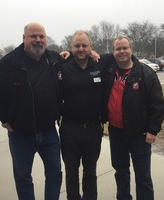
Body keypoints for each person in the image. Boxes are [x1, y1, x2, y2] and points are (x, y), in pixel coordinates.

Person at [0, 22, 64, 200]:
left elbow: (79, 60)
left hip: (49, 132)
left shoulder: (54, 59)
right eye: (33, 36)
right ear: (24, 38)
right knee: (23, 178)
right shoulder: (8, 63)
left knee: (55, 174)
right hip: (20, 135)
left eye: (41, 36)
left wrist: (91, 53)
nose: (38, 40)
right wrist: (4, 119)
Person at [101, 36, 164, 200]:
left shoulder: (145, 73)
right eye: (118, 49)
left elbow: (157, 104)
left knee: (143, 176)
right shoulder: (109, 71)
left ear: (131, 50)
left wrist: (153, 130)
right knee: (121, 171)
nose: (122, 51)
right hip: (116, 132)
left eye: (125, 48)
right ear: (113, 52)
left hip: (140, 134)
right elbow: (86, 56)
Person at [59, 31, 114, 200]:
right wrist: (64, 57)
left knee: (90, 172)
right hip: (69, 129)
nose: (81, 48)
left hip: (93, 129)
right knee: (71, 173)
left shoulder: (100, 65)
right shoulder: (62, 66)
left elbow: (120, 55)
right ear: (71, 48)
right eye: (77, 46)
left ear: (91, 47)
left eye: (84, 45)